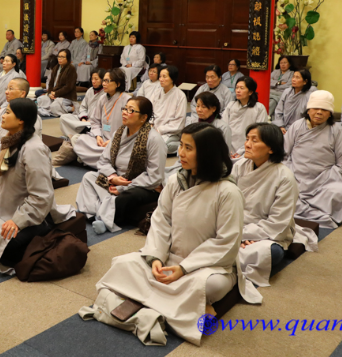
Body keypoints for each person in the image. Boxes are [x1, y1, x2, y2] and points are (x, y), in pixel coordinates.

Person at [81, 123, 261, 346]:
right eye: (181, 146)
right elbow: (161, 220)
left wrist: (184, 268)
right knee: (123, 264)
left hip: (207, 266)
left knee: (209, 286)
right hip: (169, 257)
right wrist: (156, 257)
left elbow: (226, 242)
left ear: (206, 153)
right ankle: (186, 305)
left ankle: (161, 300)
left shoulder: (228, 192)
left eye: (188, 148)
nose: (180, 153)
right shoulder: (176, 180)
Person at [0, 98, 75, 273]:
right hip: (7, 207)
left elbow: (42, 196)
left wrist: (17, 221)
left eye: (7, 112)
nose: (2, 116)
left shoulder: (33, 149)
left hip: (33, 215)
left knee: (8, 248)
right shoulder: (10, 141)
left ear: (21, 119)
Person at [76, 96, 165, 233]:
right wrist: (113, 177)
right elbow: (104, 160)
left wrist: (123, 187)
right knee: (89, 177)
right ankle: (101, 214)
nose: (124, 112)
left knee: (128, 196)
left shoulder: (154, 139)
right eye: (125, 108)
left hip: (140, 185)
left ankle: (100, 216)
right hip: (116, 179)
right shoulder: (119, 133)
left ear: (143, 117)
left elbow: (154, 177)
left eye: (131, 110)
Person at [233, 123, 299, 288]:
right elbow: (226, 203)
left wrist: (242, 235)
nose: (247, 144)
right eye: (247, 139)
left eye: (254, 140)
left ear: (271, 148)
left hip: (265, 232)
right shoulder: (240, 166)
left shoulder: (284, 177)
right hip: (235, 225)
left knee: (271, 253)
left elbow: (278, 224)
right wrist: (233, 231)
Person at [284, 90, 342, 228]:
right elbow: (284, 154)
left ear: (330, 113)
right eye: (315, 108)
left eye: (324, 109)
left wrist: (327, 177)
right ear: (308, 110)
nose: (319, 112)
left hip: (325, 178)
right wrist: (289, 172)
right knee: (278, 191)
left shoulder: (336, 130)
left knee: (338, 194)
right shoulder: (296, 126)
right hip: (297, 175)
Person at [69, 69, 132, 168]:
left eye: (107, 81)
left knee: (118, 152)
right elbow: (95, 121)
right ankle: (102, 161)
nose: (104, 84)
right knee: (76, 139)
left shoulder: (127, 100)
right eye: (104, 81)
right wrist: (98, 136)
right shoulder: (102, 99)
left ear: (118, 84)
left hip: (118, 142)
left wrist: (113, 141)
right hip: (101, 138)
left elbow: (131, 128)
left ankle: (89, 159)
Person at [223, 76, 268, 157]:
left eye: (242, 88)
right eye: (237, 88)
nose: (238, 91)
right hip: (228, 147)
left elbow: (259, 132)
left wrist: (242, 151)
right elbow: (224, 127)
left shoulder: (259, 108)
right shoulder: (231, 105)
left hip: (249, 148)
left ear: (250, 92)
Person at [60, 69, 106, 138]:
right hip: (85, 120)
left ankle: (80, 133)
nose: (93, 81)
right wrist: (83, 118)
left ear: (102, 80)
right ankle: (82, 132)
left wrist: (91, 120)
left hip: (94, 123)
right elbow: (83, 107)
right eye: (92, 79)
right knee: (63, 117)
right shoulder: (90, 91)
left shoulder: (105, 93)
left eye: (96, 79)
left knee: (96, 126)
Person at [153, 66, 187, 154]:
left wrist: (160, 130)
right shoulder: (157, 92)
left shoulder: (180, 96)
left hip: (170, 132)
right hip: (154, 128)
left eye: (164, 76)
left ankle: (179, 145)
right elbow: (150, 112)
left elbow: (179, 122)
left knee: (161, 146)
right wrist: (150, 125)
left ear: (172, 78)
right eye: (160, 76)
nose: (161, 79)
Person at [272, 68, 316, 134]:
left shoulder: (310, 95)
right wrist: (281, 126)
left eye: (297, 77)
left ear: (305, 81)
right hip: (283, 128)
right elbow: (279, 110)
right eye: (293, 77)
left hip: (301, 130)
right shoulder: (287, 92)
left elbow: (310, 116)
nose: (293, 79)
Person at [36, 49, 77, 117]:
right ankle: (53, 109)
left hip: (66, 96)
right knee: (41, 100)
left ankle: (70, 109)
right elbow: (51, 83)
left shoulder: (71, 69)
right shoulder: (56, 67)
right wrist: (50, 93)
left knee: (54, 106)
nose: (60, 59)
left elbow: (69, 87)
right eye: (59, 57)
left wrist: (56, 93)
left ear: (67, 58)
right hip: (54, 94)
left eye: (62, 57)